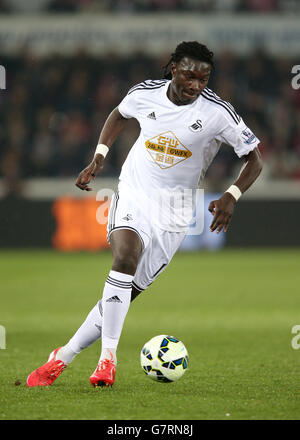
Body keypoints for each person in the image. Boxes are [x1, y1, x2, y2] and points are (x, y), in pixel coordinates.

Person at [27, 41, 263, 388]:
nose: (196, 85)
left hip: (176, 212)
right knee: (125, 258)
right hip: (136, 193)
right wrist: (100, 155)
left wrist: (232, 194)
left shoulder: (218, 113)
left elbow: (255, 159)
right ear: (173, 68)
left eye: (203, 78)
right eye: (189, 75)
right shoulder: (145, 93)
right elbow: (119, 114)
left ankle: (62, 356)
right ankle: (108, 360)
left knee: (121, 296)